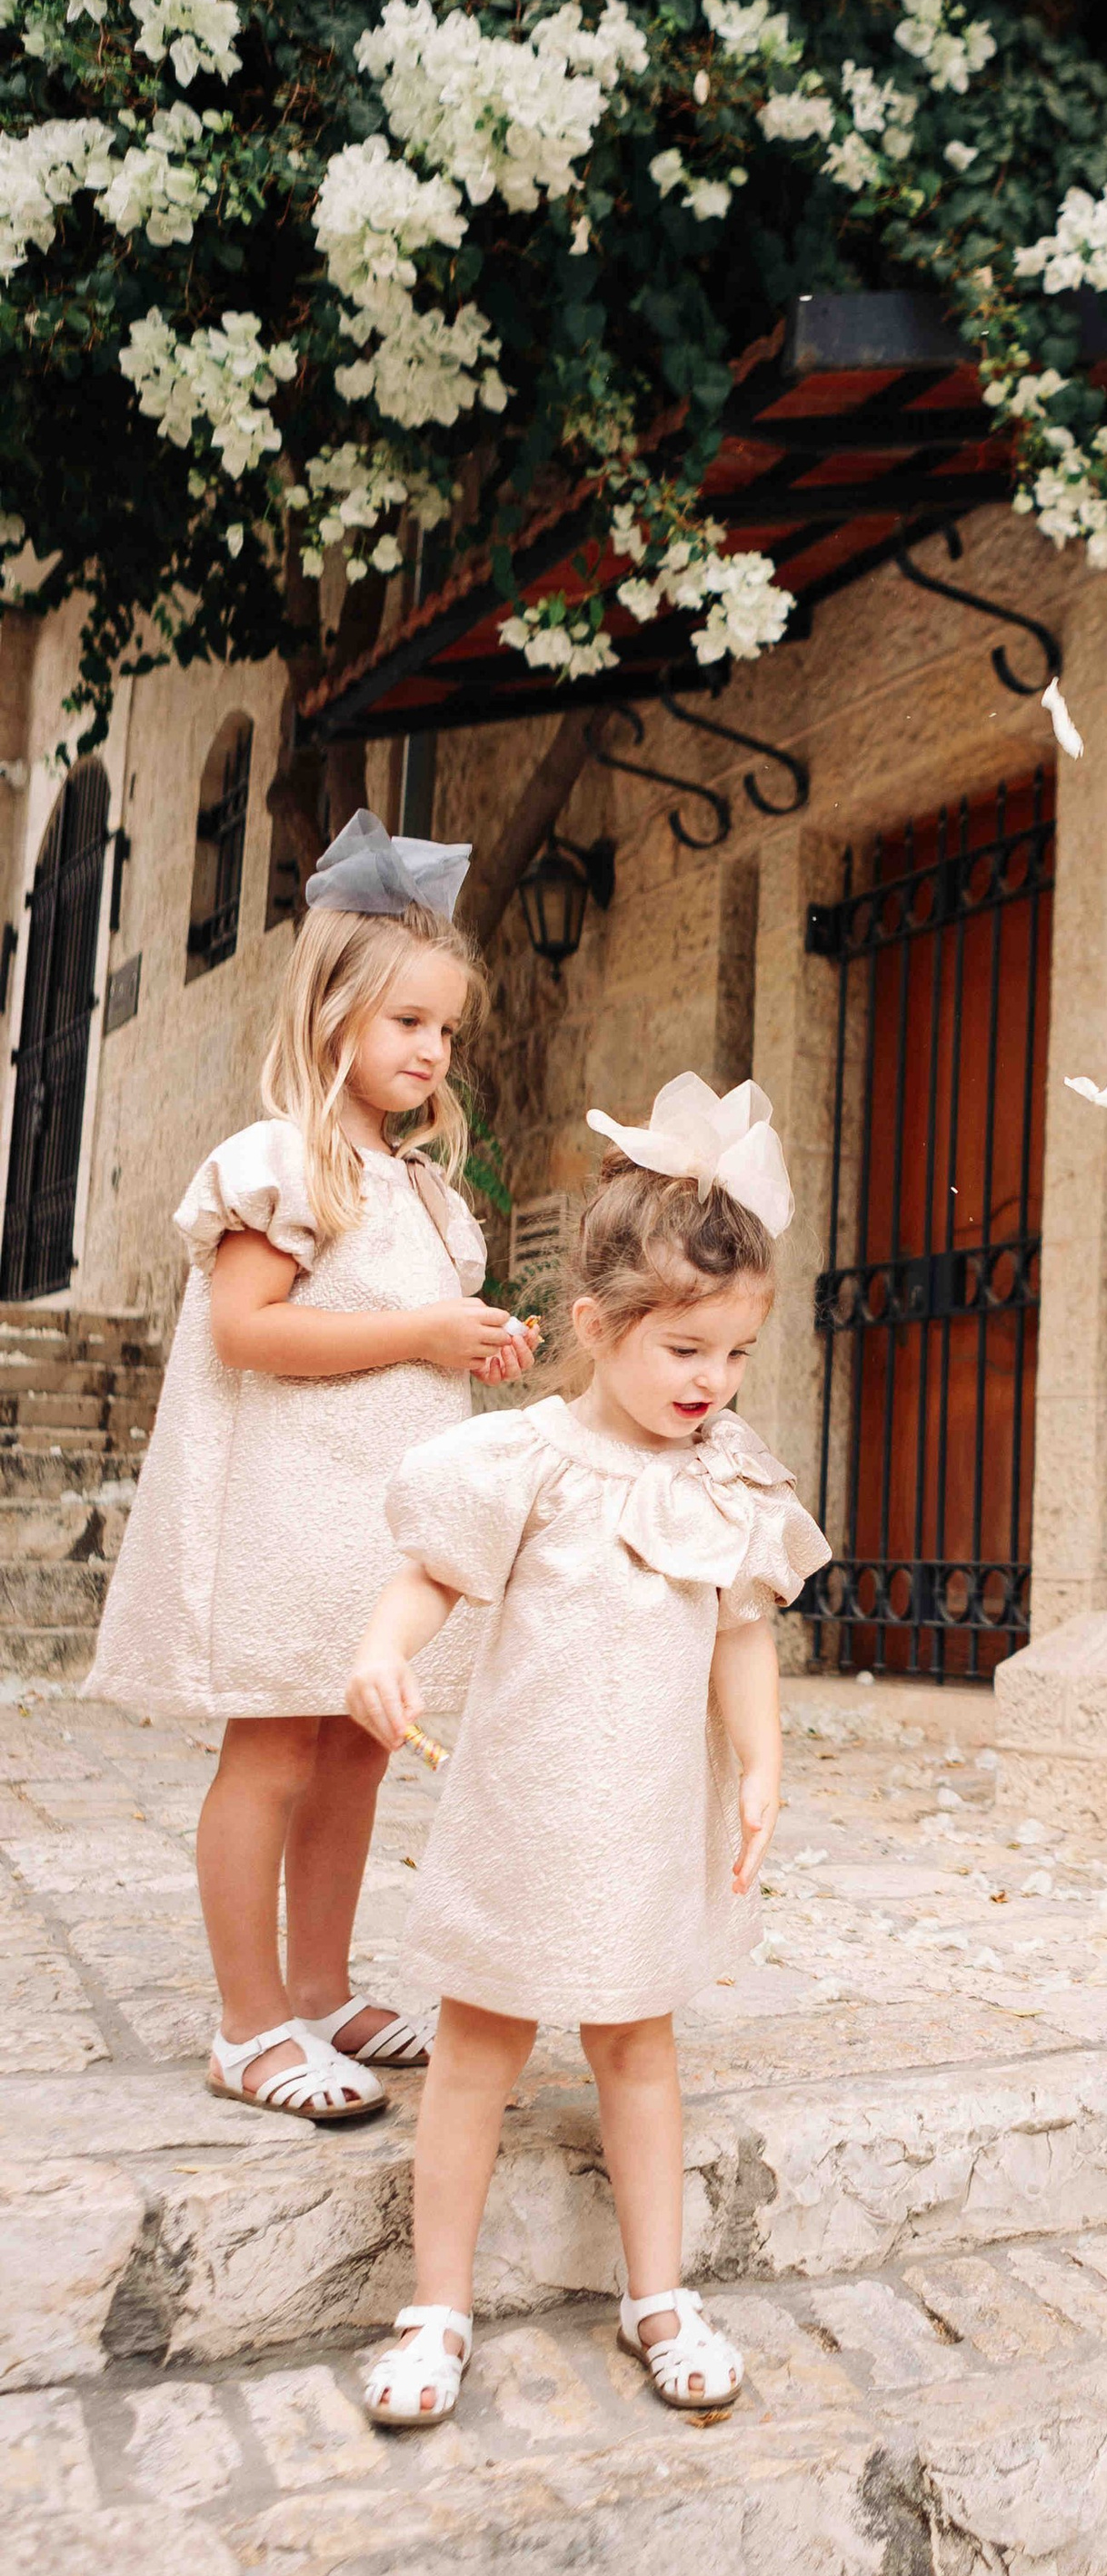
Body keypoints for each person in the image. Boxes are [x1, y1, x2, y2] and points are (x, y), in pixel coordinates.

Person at [343, 1073, 830, 2429]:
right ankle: (437, 2303)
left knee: (637, 2044)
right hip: (524, 1808)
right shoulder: (530, 1462)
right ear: (598, 1327)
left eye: (736, 1354)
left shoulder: (728, 1476)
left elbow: (741, 1631)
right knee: (478, 2047)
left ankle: (656, 2293)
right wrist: (383, 1651)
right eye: (685, 1350)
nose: (713, 1382)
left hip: (646, 1818)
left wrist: (763, 1761)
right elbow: (431, 1576)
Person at [86, 810, 535, 2124]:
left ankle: (323, 1989)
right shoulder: (283, 1162)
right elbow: (249, 1330)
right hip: (292, 1516)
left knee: (356, 1754)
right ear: (334, 1013)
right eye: (408, 1021)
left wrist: (474, 1345)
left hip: (379, 1527)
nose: (432, 1050)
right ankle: (247, 2028)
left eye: (446, 1030)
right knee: (275, 1751)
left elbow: (411, 1336)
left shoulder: (424, 1187)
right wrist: (425, 1331)